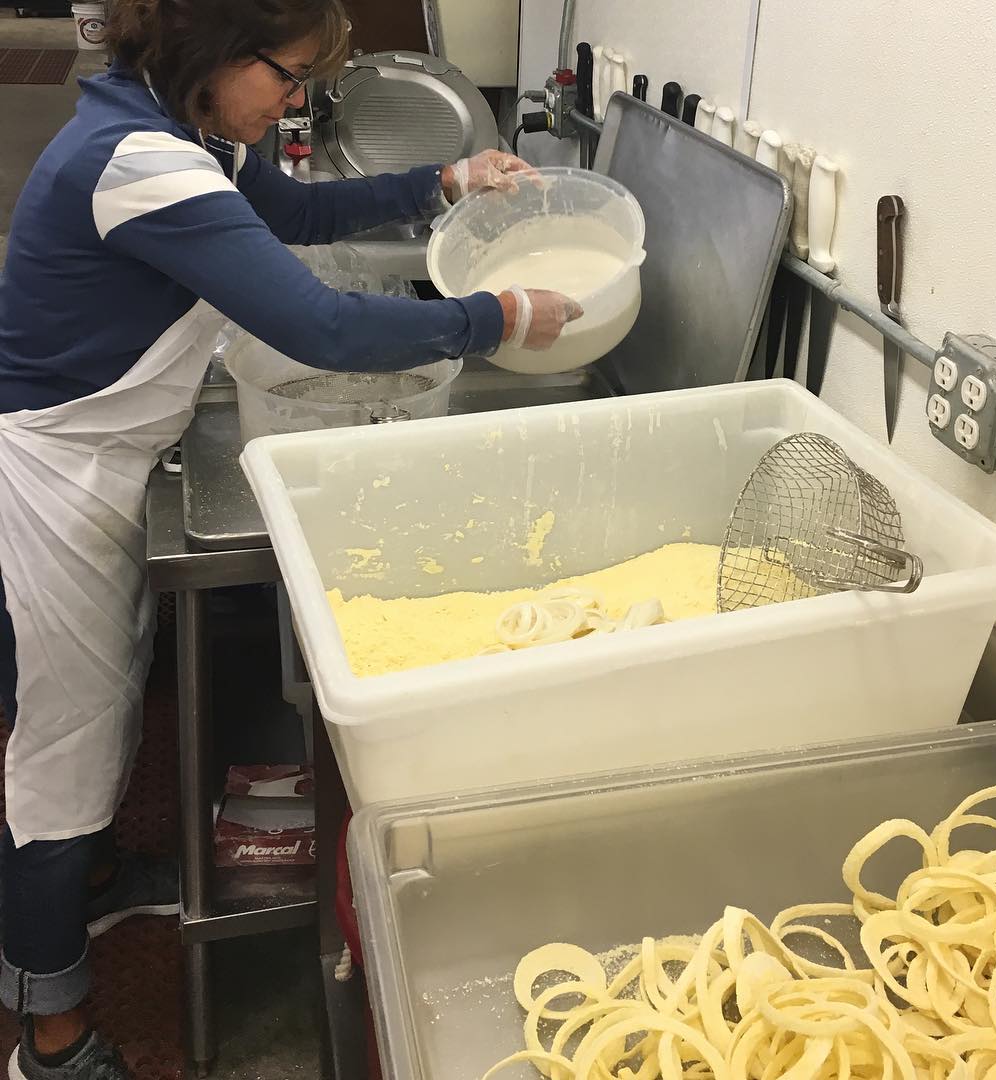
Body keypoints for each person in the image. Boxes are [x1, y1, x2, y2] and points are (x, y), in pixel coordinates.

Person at [0, 0, 582, 1074]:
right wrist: (494, 316)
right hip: (50, 477)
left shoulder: (185, 129)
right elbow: (317, 324)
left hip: (102, 462)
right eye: (290, 73)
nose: (296, 100)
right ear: (213, 51)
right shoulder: (141, 162)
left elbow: (293, 218)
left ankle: (81, 883)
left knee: (93, 712)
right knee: (59, 755)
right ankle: (50, 1029)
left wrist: (439, 185)